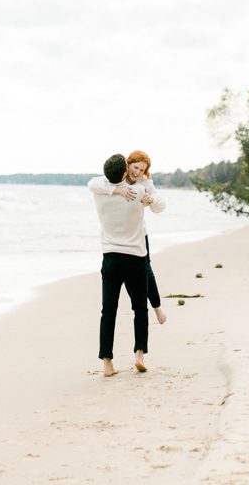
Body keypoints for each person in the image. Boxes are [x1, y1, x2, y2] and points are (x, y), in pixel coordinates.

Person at [88, 153, 165, 377]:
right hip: (135, 257)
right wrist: (149, 200)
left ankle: (107, 363)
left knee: (108, 311)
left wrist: (113, 189)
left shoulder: (99, 192)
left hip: (111, 257)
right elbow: (158, 204)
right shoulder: (139, 191)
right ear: (125, 172)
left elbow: (92, 183)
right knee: (139, 309)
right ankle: (139, 355)